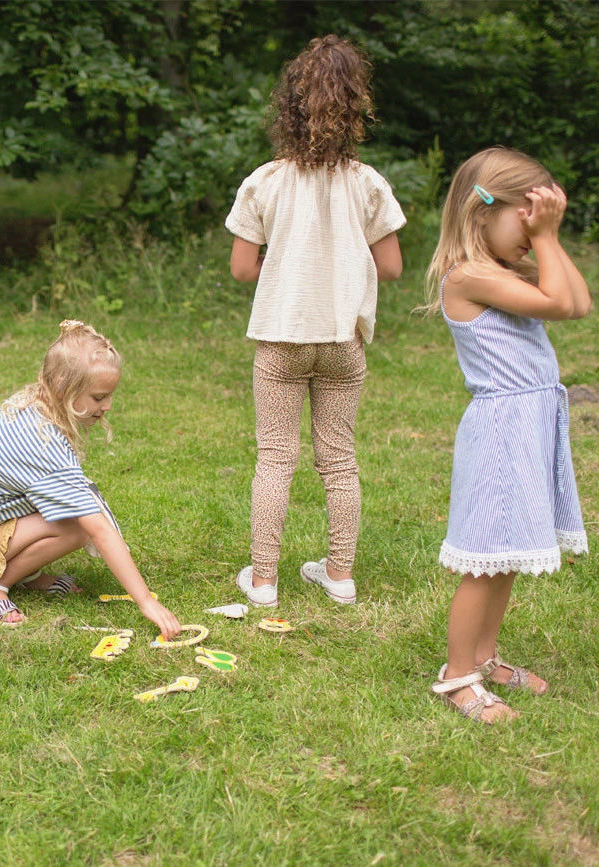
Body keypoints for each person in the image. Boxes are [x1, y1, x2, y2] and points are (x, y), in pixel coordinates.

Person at [225, 35, 405, 609]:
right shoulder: (367, 182)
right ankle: (340, 574)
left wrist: (282, 256)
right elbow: (393, 267)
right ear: (357, 108)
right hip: (342, 341)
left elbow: (240, 270)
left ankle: (264, 581)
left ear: (290, 108)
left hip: (281, 338)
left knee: (276, 457)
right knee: (339, 457)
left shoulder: (266, 181)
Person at [424, 146, 590, 723]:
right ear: (480, 213)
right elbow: (559, 305)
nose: (532, 237)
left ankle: (486, 656)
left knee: (507, 556)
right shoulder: (468, 276)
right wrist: (545, 240)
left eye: (538, 225)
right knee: (483, 562)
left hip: (529, 428)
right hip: (500, 433)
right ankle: (457, 676)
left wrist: (547, 235)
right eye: (525, 222)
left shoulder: (499, 270)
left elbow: (579, 301)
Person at [0, 320, 181, 639]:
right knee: (77, 527)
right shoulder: (41, 444)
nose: (107, 406)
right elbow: (96, 526)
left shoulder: (35, 406)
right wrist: (145, 602)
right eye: (98, 397)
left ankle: (27, 573)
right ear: (61, 387)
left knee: (81, 505)